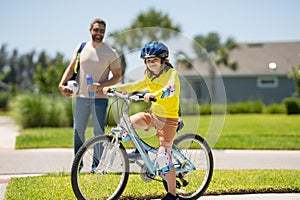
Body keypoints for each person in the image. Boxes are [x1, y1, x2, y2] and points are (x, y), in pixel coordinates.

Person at [103, 41, 180, 200]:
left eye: (154, 60)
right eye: (148, 61)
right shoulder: (149, 75)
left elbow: (170, 89)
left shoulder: (172, 73)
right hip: (152, 115)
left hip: (169, 120)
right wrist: (115, 88)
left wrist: (155, 95)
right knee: (125, 124)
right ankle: (141, 150)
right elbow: (135, 85)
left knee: (163, 157)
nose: (151, 63)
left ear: (163, 60)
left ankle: (173, 194)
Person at [58, 18, 122, 163]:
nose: (99, 33)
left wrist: (100, 86)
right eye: (96, 30)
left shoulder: (110, 53)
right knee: (78, 131)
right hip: (81, 97)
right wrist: (62, 84)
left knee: (98, 133)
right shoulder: (81, 47)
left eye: (102, 31)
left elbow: (117, 76)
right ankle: (77, 164)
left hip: (100, 99)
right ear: (90, 31)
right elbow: (71, 66)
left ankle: (96, 166)